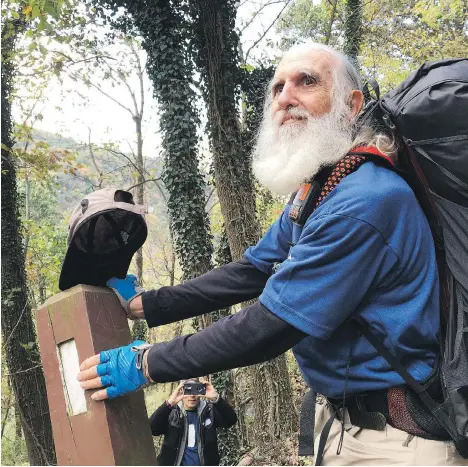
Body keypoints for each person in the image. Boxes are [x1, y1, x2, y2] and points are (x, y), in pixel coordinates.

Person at [77, 42, 466, 465]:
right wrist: (146, 305)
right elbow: (253, 269)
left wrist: (147, 362)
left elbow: (272, 324)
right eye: (278, 87)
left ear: (351, 104)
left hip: (393, 442)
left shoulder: (367, 200)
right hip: (340, 425)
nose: (285, 97)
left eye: (307, 82)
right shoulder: (320, 188)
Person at [150, 379, 237, 466]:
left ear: (201, 391)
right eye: (188, 390)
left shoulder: (209, 411)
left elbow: (231, 420)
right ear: (181, 392)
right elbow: (152, 429)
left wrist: (216, 398)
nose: (192, 396)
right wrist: (169, 403)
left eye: (195, 390)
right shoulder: (172, 413)